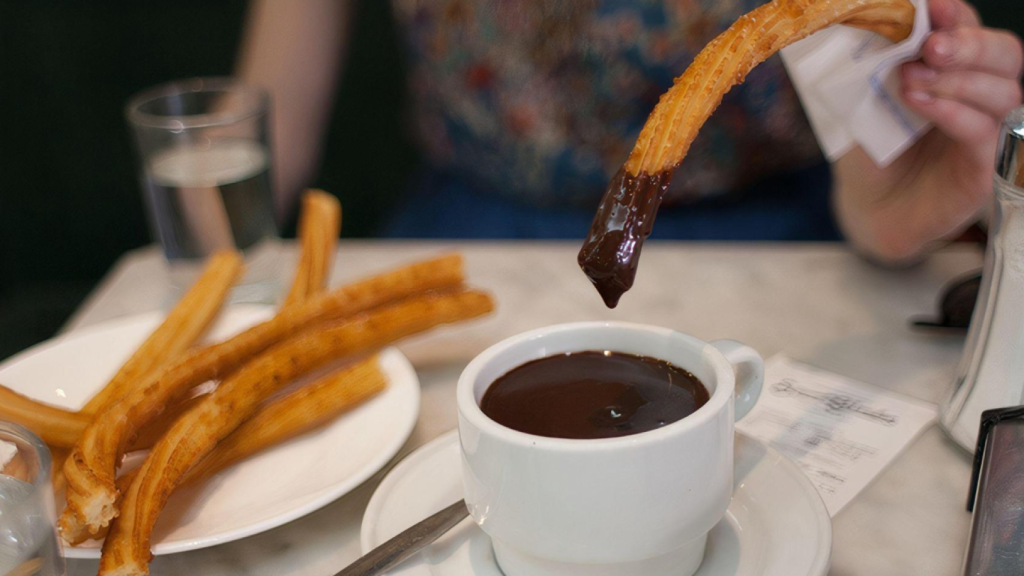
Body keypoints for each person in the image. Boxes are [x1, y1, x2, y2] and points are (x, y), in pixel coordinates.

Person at [237, 0, 1022, 264]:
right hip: (473, 240)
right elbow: (258, 139)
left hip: (773, 239)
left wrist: (902, 196)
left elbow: (871, 156)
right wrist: (192, 274)